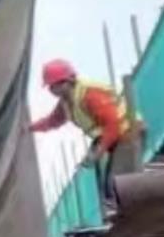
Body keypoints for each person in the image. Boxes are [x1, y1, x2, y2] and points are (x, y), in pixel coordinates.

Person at [29, 59, 142, 210]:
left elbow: (112, 125)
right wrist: (30, 128)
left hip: (128, 133)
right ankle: (120, 209)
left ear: (66, 82)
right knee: (109, 185)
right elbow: (53, 121)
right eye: (50, 87)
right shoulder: (67, 101)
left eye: (53, 86)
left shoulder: (89, 94)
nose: (51, 91)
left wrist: (99, 151)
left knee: (117, 183)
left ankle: (132, 213)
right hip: (112, 136)